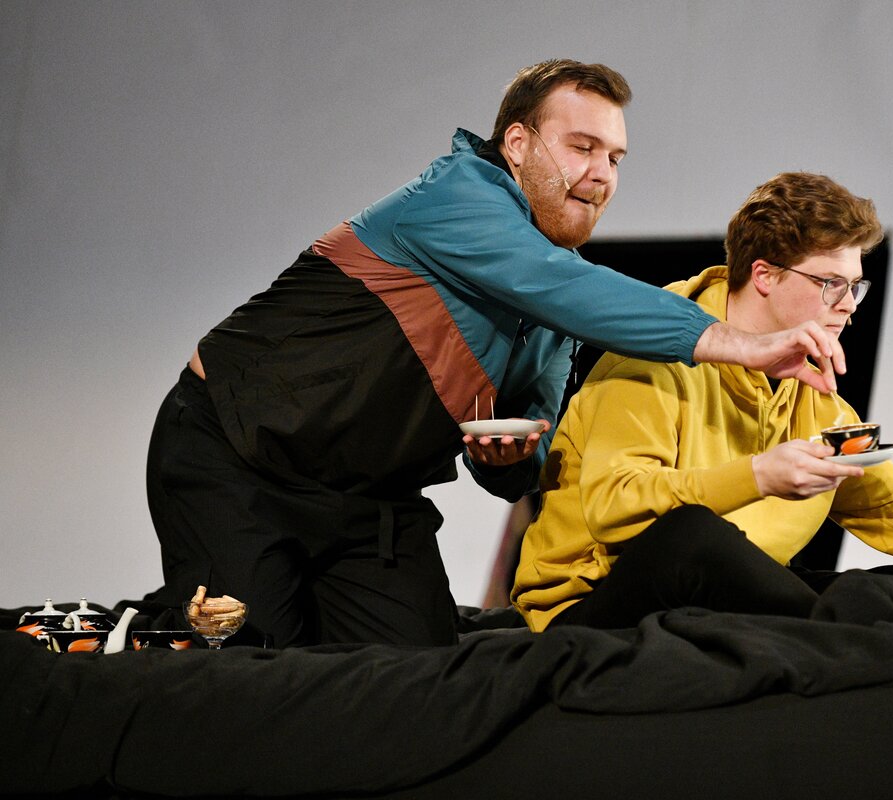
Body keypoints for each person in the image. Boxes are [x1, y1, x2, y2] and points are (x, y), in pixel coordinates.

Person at [143, 60, 851, 649]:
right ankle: (138, 634)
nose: (601, 174)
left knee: (427, 698)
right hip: (237, 456)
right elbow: (564, 286)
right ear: (516, 144)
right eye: (581, 147)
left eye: (614, 158)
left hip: (371, 501)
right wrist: (746, 346)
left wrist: (508, 458)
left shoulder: (552, 307)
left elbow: (520, 463)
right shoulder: (457, 196)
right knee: (247, 673)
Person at [511, 171, 893, 658]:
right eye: (831, 284)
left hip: (720, 605)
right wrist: (759, 475)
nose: (848, 307)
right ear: (764, 275)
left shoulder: (818, 401)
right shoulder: (651, 356)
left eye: (855, 287)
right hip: (592, 609)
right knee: (691, 535)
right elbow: (614, 507)